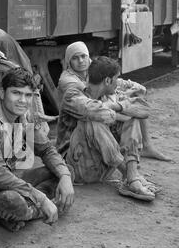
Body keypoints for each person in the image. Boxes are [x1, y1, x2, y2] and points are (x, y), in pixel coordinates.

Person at [0, 68, 75, 232]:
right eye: (16, 93)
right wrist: (41, 199)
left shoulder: (21, 116)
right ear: (2, 93)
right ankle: (32, 209)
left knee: (65, 171)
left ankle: (21, 213)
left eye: (28, 95)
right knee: (12, 201)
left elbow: (46, 149)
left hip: (9, 181)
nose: (23, 100)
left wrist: (65, 176)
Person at [60, 56, 159, 202]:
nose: (117, 83)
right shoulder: (73, 94)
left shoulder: (108, 96)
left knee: (131, 119)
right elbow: (92, 111)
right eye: (116, 79)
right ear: (107, 81)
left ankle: (131, 177)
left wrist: (118, 106)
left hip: (103, 168)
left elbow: (145, 109)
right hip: (75, 168)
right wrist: (122, 111)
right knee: (92, 122)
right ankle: (131, 178)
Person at [56, 41, 171, 162]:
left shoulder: (92, 69)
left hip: (99, 110)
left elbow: (113, 81)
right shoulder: (68, 81)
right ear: (69, 61)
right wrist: (121, 107)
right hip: (77, 131)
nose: (80, 61)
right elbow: (93, 98)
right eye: (75, 58)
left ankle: (144, 148)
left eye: (83, 56)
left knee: (131, 106)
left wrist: (127, 91)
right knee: (120, 114)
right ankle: (124, 167)